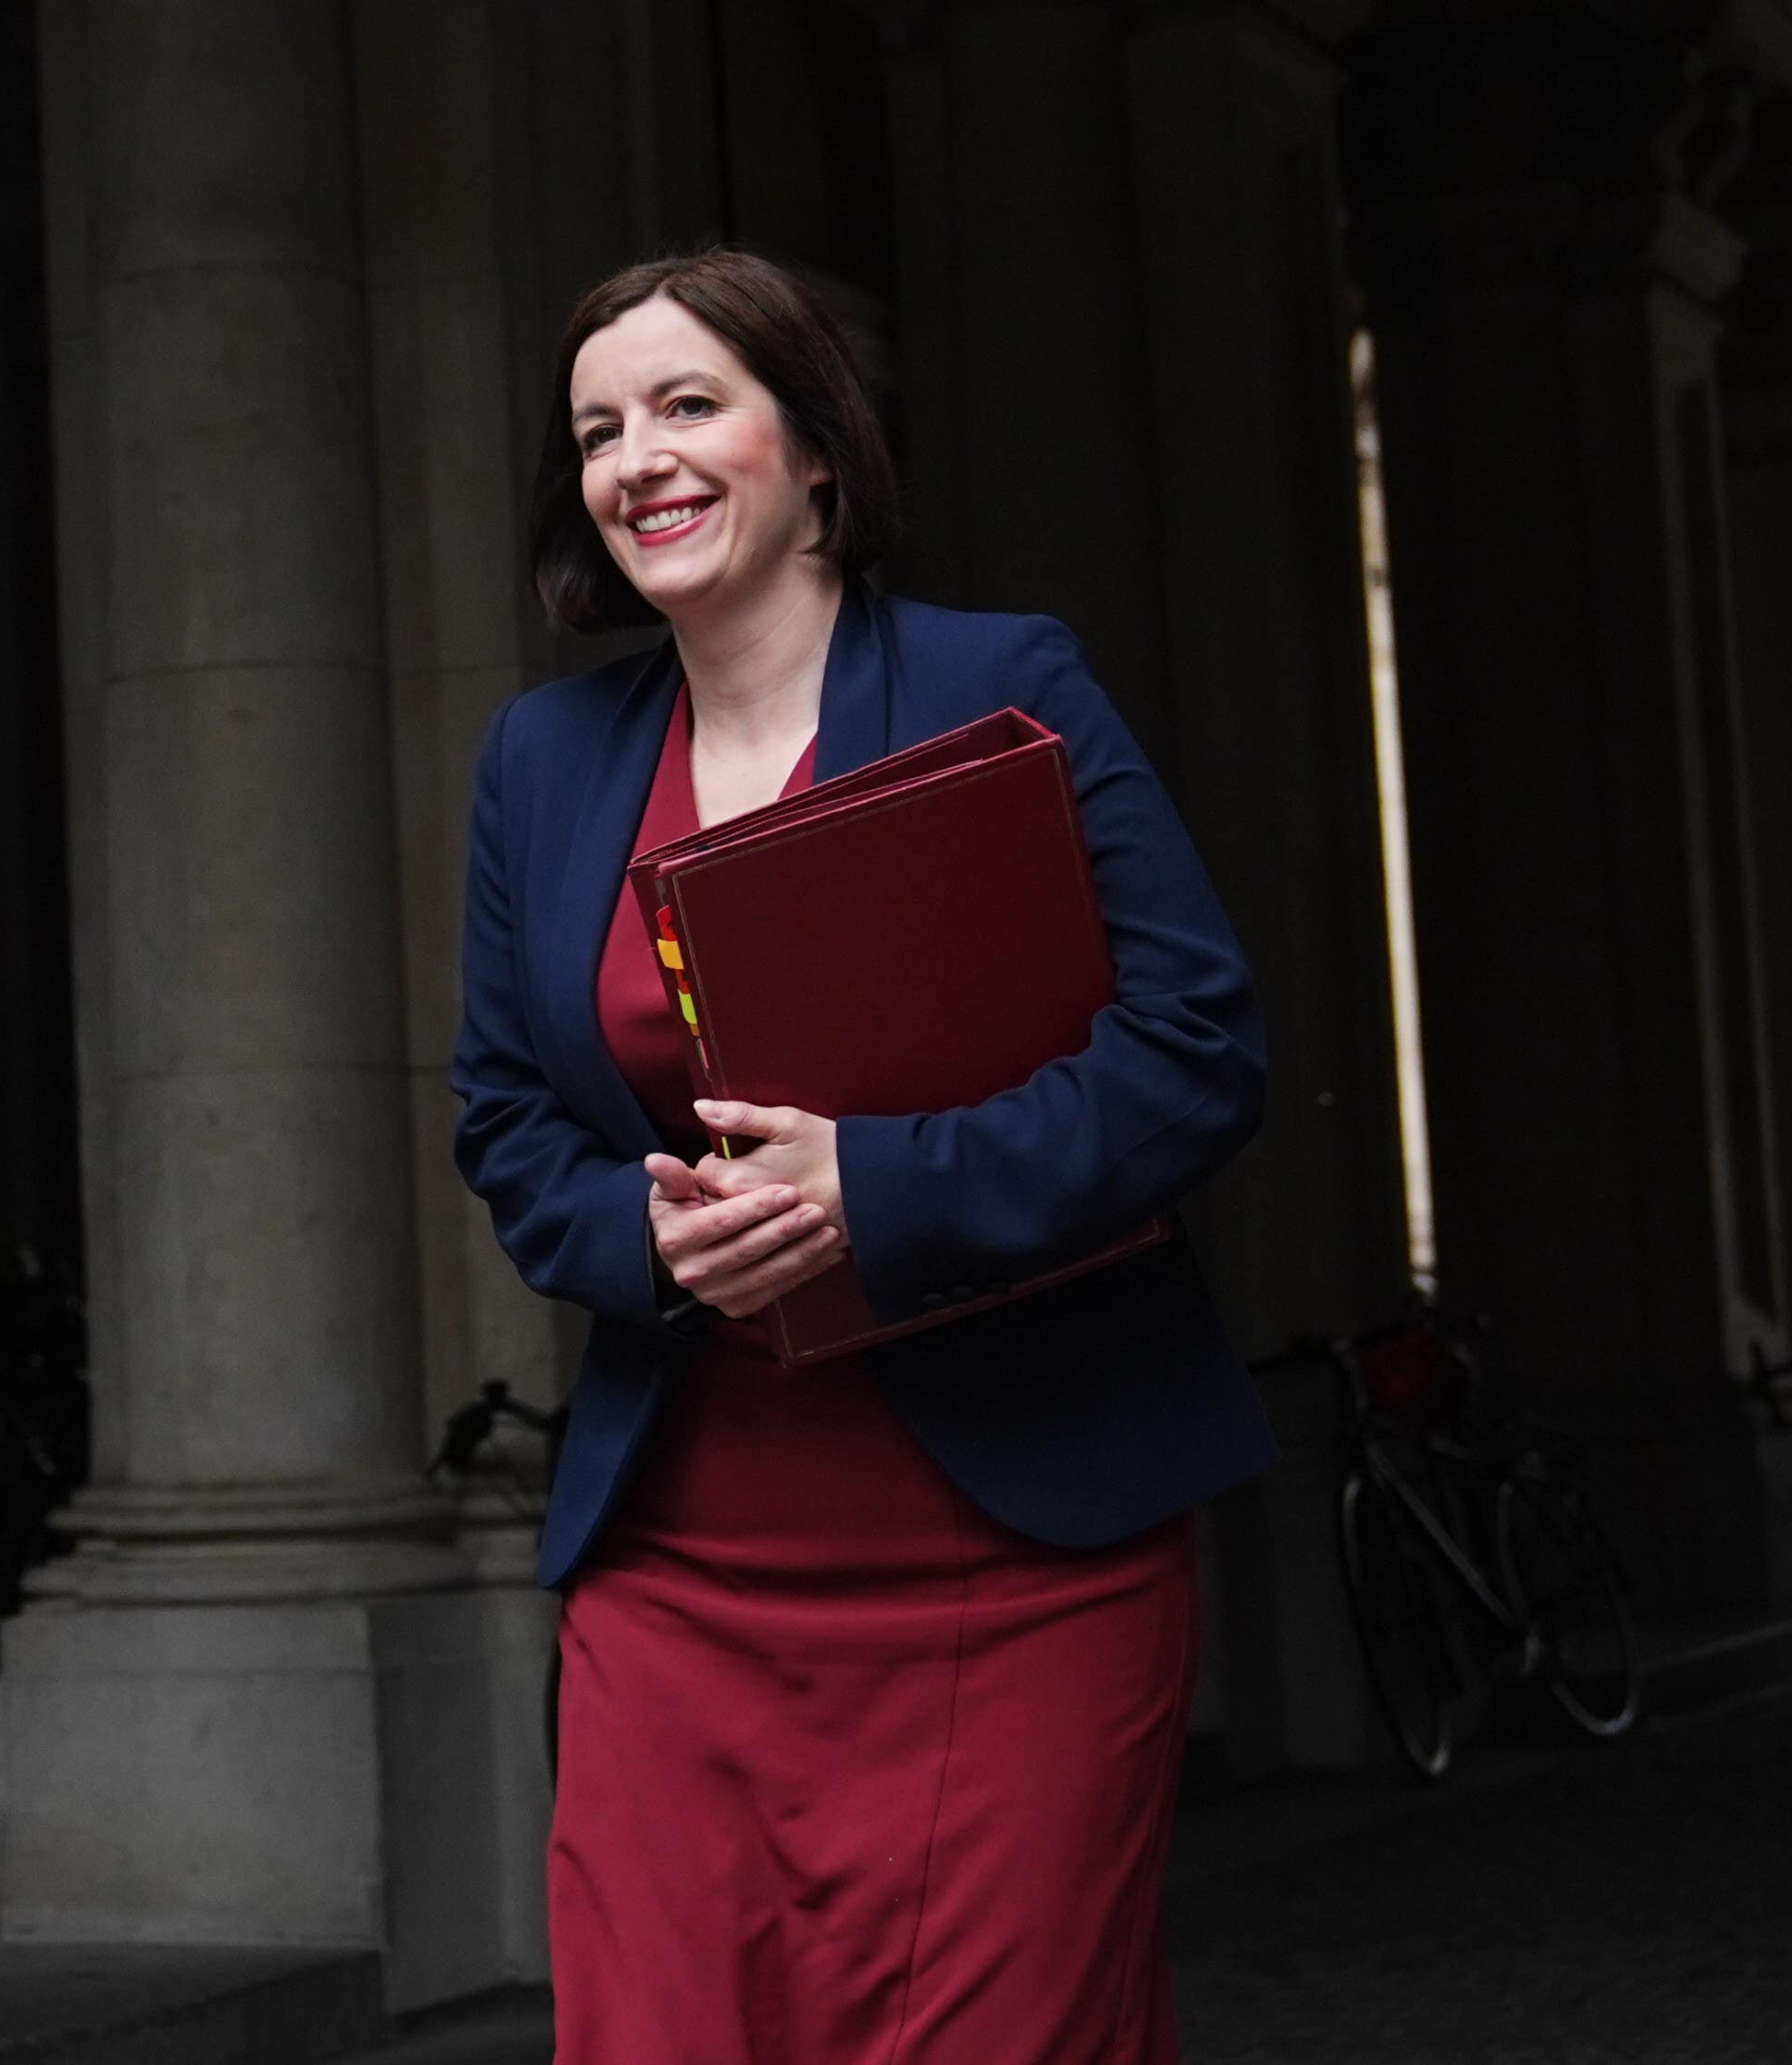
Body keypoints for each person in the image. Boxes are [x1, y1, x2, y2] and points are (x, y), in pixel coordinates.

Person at [447, 248, 1277, 2063]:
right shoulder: (543, 757)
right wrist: (648, 1236)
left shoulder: (1002, 677)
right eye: (597, 430)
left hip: (1019, 1548)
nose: (637, 460)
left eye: (687, 405)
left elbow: (1197, 1049)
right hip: (681, 1561)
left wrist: (879, 1191)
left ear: (815, 441)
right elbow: (504, 1119)